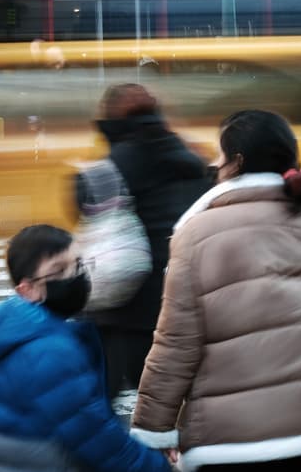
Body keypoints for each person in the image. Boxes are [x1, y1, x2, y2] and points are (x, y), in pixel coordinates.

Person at [131, 109, 301, 471]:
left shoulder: (195, 234)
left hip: (234, 444)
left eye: (220, 155)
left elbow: (176, 343)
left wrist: (153, 427)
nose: (214, 163)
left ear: (236, 162)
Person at [0, 224, 171, 472]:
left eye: (77, 264)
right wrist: (156, 466)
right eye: (58, 270)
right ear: (27, 290)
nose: (75, 276)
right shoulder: (49, 352)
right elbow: (98, 440)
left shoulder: (28, 333)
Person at [81, 83, 210, 404]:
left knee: (104, 395)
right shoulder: (191, 156)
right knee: (169, 396)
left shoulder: (112, 166)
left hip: (125, 301)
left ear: (110, 121)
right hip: (180, 292)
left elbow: (85, 204)